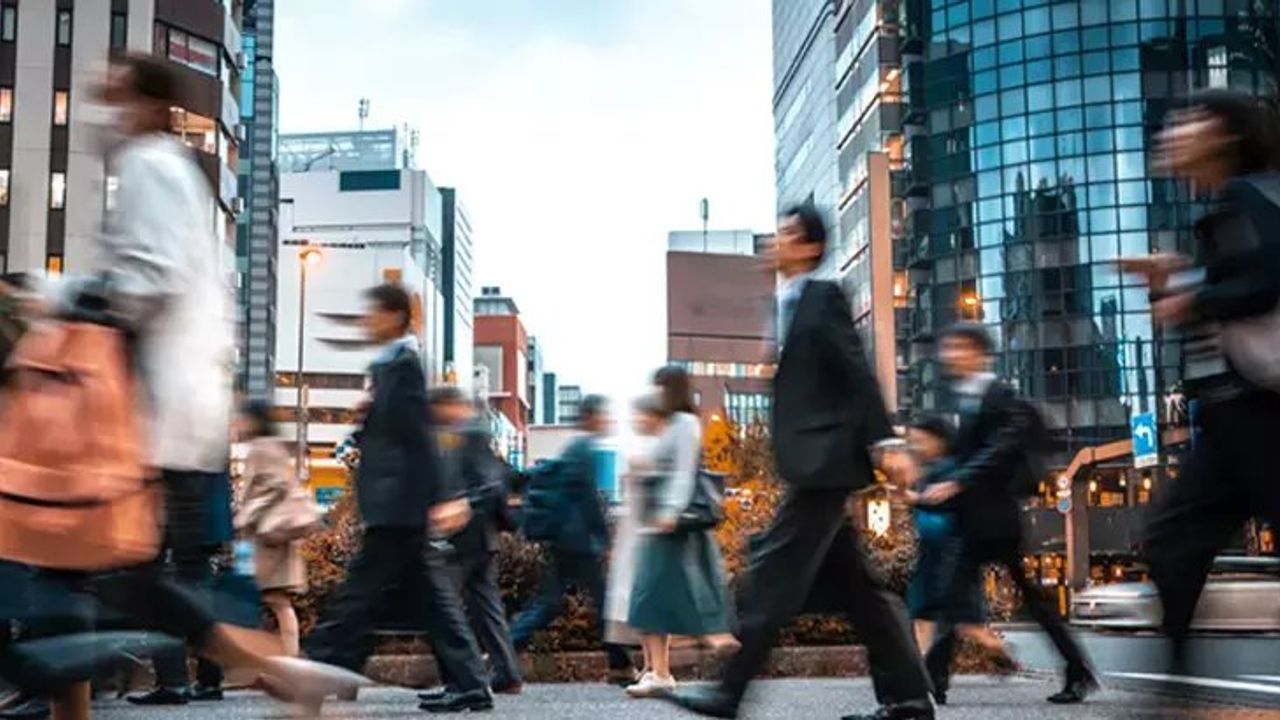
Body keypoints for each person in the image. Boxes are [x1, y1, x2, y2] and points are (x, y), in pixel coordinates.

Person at [1, 54, 359, 720]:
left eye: (109, 98)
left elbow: (146, 279)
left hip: (140, 411)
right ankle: (278, 672)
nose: (97, 115)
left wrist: (62, 299)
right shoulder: (165, 171)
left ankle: (276, 669)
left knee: (83, 567)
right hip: (152, 408)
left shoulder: (150, 166)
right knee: (90, 568)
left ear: (141, 104)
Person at [668, 204, 934, 720]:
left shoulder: (822, 296)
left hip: (826, 465)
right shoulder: (785, 305)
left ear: (811, 247)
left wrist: (884, 441)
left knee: (770, 580)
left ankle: (729, 694)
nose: (777, 241)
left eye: (789, 234)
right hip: (813, 464)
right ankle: (908, 700)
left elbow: (856, 370)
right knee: (862, 592)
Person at [1120, 89, 1280, 676]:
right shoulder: (1225, 205)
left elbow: (1266, 280)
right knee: (1170, 543)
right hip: (1229, 420)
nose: (1171, 133)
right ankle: (1175, 691)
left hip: (1260, 412)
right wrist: (1178, 282)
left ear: (1222, 133)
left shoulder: (1246, 194)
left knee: (1172, 543)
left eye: (1187, 122)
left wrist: (1192, 294)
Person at [300, 283, 492, 715]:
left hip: (400, 504)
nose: (367, 322)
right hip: (399, 503)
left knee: (360, 594)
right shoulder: (392, 366)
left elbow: (420, 438)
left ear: (392, 316)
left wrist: (444, 497)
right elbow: (400, 432)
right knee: (426, 601)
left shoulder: (403, 365)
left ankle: (318, 672)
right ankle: (469, 684)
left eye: (372, 313)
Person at [917, 323, 1094, 704]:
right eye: (948, 348)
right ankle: (934, 680)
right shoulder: (966, 399)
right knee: (951, 598)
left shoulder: (1000, 395)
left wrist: (958, 481)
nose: (950, 355)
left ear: (981, 353)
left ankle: (1077, 671)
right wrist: (928, 493)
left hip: (997, 521)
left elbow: (1002, 448)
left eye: (959, 348)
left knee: (1029, 601)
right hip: (973, 521)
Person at [509, 395, 638, 684]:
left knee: (550, 603)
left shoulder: (575, 448)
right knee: (600, 603)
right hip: (578, 542)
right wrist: (604, 540)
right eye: (604, 415)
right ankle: (621, 666)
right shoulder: (584, 450)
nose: (607, 421)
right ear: (591, 417)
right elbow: (589, 501)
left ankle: (504, 649)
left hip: (565, 539)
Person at [625, 370, 737, 699]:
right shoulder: (671, 424)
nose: (654, 393)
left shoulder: (684, 424)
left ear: (670, 389)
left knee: (651, 596)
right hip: (656, 522)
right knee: (653, 597)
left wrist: (671, 511)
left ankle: (667, 668)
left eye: (658, 386)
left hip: (668, 522)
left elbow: (683, 473)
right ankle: (660, 669)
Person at [901, 416, 1015, 704]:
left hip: (950, 553)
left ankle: (997, 652)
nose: (917, 445)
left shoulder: (952, 469)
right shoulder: (930, 469)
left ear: (937, 440)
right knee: (926, 617)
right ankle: (925, 678)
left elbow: (942, 504)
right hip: (931, 553)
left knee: (961, 621)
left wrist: (914, 498)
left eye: (920, 439)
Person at [418, 386, 523, 701]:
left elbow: (488, 483)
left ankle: (461, 681)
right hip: (481, 537)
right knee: (486, 609)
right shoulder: (473, 431)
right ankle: (506, 673)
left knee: (442, 607)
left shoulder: (468, 433)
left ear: (450, 405)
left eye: (438, 408)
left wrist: (461, 506)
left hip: (465, 537)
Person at [234, 399, 308, 658]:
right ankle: (287, 660)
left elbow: (275, 486)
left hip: (266, 537)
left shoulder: (262, 448)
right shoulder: (271, 447)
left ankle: (288, 661)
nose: (237, 424)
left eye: (242, 418)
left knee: (274, 600)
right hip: (270, 536)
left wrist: (246, 515)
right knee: (273, 601)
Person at [601, 398, 661, 682]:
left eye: (641, 414)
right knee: (636, 601)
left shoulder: (658, 448)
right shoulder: (644, 448)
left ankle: (655, 667)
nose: (636, 420)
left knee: (643, 599)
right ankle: (649, 666)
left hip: (645, 534)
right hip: (633, 533)